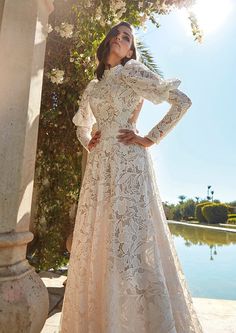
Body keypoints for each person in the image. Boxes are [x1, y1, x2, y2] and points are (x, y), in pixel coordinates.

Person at [59, 21, 204, 333]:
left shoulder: (132, 70)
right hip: (98, 168)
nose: (121, 39)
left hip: (129, 164)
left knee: (131, 241)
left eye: (128, 38)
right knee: (100, 240)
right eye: (118, 34)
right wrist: (89, 142)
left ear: (131, 50)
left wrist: (150, 138)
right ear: (108, 40)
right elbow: (81, 125)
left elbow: (182, 101)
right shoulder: (93, 86)